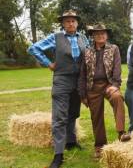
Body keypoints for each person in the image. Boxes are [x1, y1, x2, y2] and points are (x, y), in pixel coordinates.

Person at [28, 10, 88, 168]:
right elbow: (34, 48)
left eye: (73, 21)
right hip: (61, 80)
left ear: (77, 23)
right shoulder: (55, 37)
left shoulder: (83, 38)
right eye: (67, 21)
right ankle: (58, 154)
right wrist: (48, 63)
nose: (70, 23)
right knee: (59, 117)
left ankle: (71, 141)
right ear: (63, 23)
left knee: (74, 113)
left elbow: (89, 55)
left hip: (78, 81)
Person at [78, 23, 131, 158]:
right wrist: (83, 94)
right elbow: (82, 74)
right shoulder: (86, 51)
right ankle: (100, 146)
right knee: (96, 117)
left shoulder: (114, 49)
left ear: (106, 35)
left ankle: (121, 132)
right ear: (93, 36)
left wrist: (115, 84)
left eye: (103, 33)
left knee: (117, 97)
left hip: (109, 84)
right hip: (92, 87)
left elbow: (117, 68)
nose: (100, 35)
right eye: (97, 34)